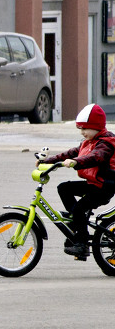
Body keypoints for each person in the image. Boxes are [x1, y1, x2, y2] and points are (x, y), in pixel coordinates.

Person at [40, 103, 115, 256]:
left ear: (97, 127)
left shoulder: (106, 143)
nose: (82, 132)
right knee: (64, 188)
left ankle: (81, 244)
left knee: (80, 208)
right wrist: (48, 161)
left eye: (84, 128)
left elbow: (95, 157)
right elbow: (71, 153)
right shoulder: (89, 141)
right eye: (80, 129)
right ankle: (77, 221)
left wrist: (77, 162)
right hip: (94, 184)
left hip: (104, 187)